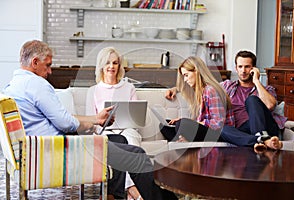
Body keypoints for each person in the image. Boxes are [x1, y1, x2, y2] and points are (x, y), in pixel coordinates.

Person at [3, 40, 177, 200]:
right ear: (34, 62)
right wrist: (92, 122)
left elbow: (60, 118)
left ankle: (114, 196)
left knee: (120, 139)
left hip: (38, 149)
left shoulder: (12, 87)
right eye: (47, 65)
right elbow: (65, 122)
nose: (49, 71)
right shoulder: (37, 84)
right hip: (59, 150)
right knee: (137, 156)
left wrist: (94, 120)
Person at [166, 51, 286, 151]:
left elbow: (270, 105)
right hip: (239, 130)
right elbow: (204, 85)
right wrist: (176, 89)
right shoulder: (228, 86)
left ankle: (262, 137)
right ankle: (261, 142)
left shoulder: (265, 89)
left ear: (253, 68)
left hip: (264, 126)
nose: (243, 70)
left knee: (252, 100)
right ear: (236, 68)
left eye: (247, 67)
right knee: (223, 129)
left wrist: (256, 81)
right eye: (240, 67)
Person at [90, 46, 142, 199]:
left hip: (128, 128)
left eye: (115, 63)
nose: (111, 67)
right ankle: (132, 189)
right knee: (113, 143)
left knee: (131, 141)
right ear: (101, 66)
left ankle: (129, 188)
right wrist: (100, 122)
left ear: (119, 66)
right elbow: (91, 120)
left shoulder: (129, 87)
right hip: (105, 130)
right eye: (107, 63)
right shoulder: (94, 90)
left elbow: (135, 114)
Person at [160, 56, 234, 143]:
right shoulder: (199, 91)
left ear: (197, 71)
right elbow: (202, 121)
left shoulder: (210, 90)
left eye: (186, 75)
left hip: (220, 135)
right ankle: (184, 139)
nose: (185, 80)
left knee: (182, 124)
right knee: (164, 125)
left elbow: (218, 123)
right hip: (208, 131)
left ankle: (185, 139)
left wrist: (186, 122)